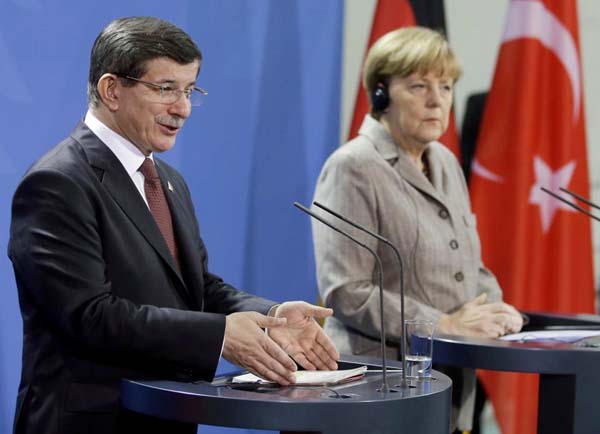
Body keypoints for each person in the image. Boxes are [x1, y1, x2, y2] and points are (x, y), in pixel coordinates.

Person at [8, 16, 339, 434]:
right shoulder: (57, 182)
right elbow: (91, 316)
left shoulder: (167, 180)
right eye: (165, 89)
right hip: (90, 422)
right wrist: (220, 336)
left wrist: (269, 315)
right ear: (112, 90)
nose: (182, 108)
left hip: (165, 416)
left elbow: (197, 286)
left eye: (188, 90)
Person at [311, 27, 522, 432]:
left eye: (445, 87)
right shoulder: (353, 166)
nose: (436, 100)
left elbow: (468, 263)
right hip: (380, 386)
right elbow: (347, 291)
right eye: (419, 85)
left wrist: (494, 309)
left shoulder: (443, 160)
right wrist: (444, 325)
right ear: (381, 95)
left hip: (450, 381)